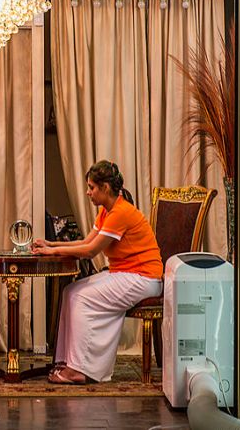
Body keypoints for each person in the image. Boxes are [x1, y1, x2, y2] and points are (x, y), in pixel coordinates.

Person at [32, 160, 163, 384]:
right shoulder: (106, 212)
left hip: (143, 278)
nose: (88, 192)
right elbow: (86, 241)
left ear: (104, 188)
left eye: (91, 187)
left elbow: (91, 251)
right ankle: (66, 361)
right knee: (71, 292)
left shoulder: (120, 212)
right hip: (125, 273)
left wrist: (50, 253)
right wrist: (50, 246)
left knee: (82, 297)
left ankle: (80, 370)